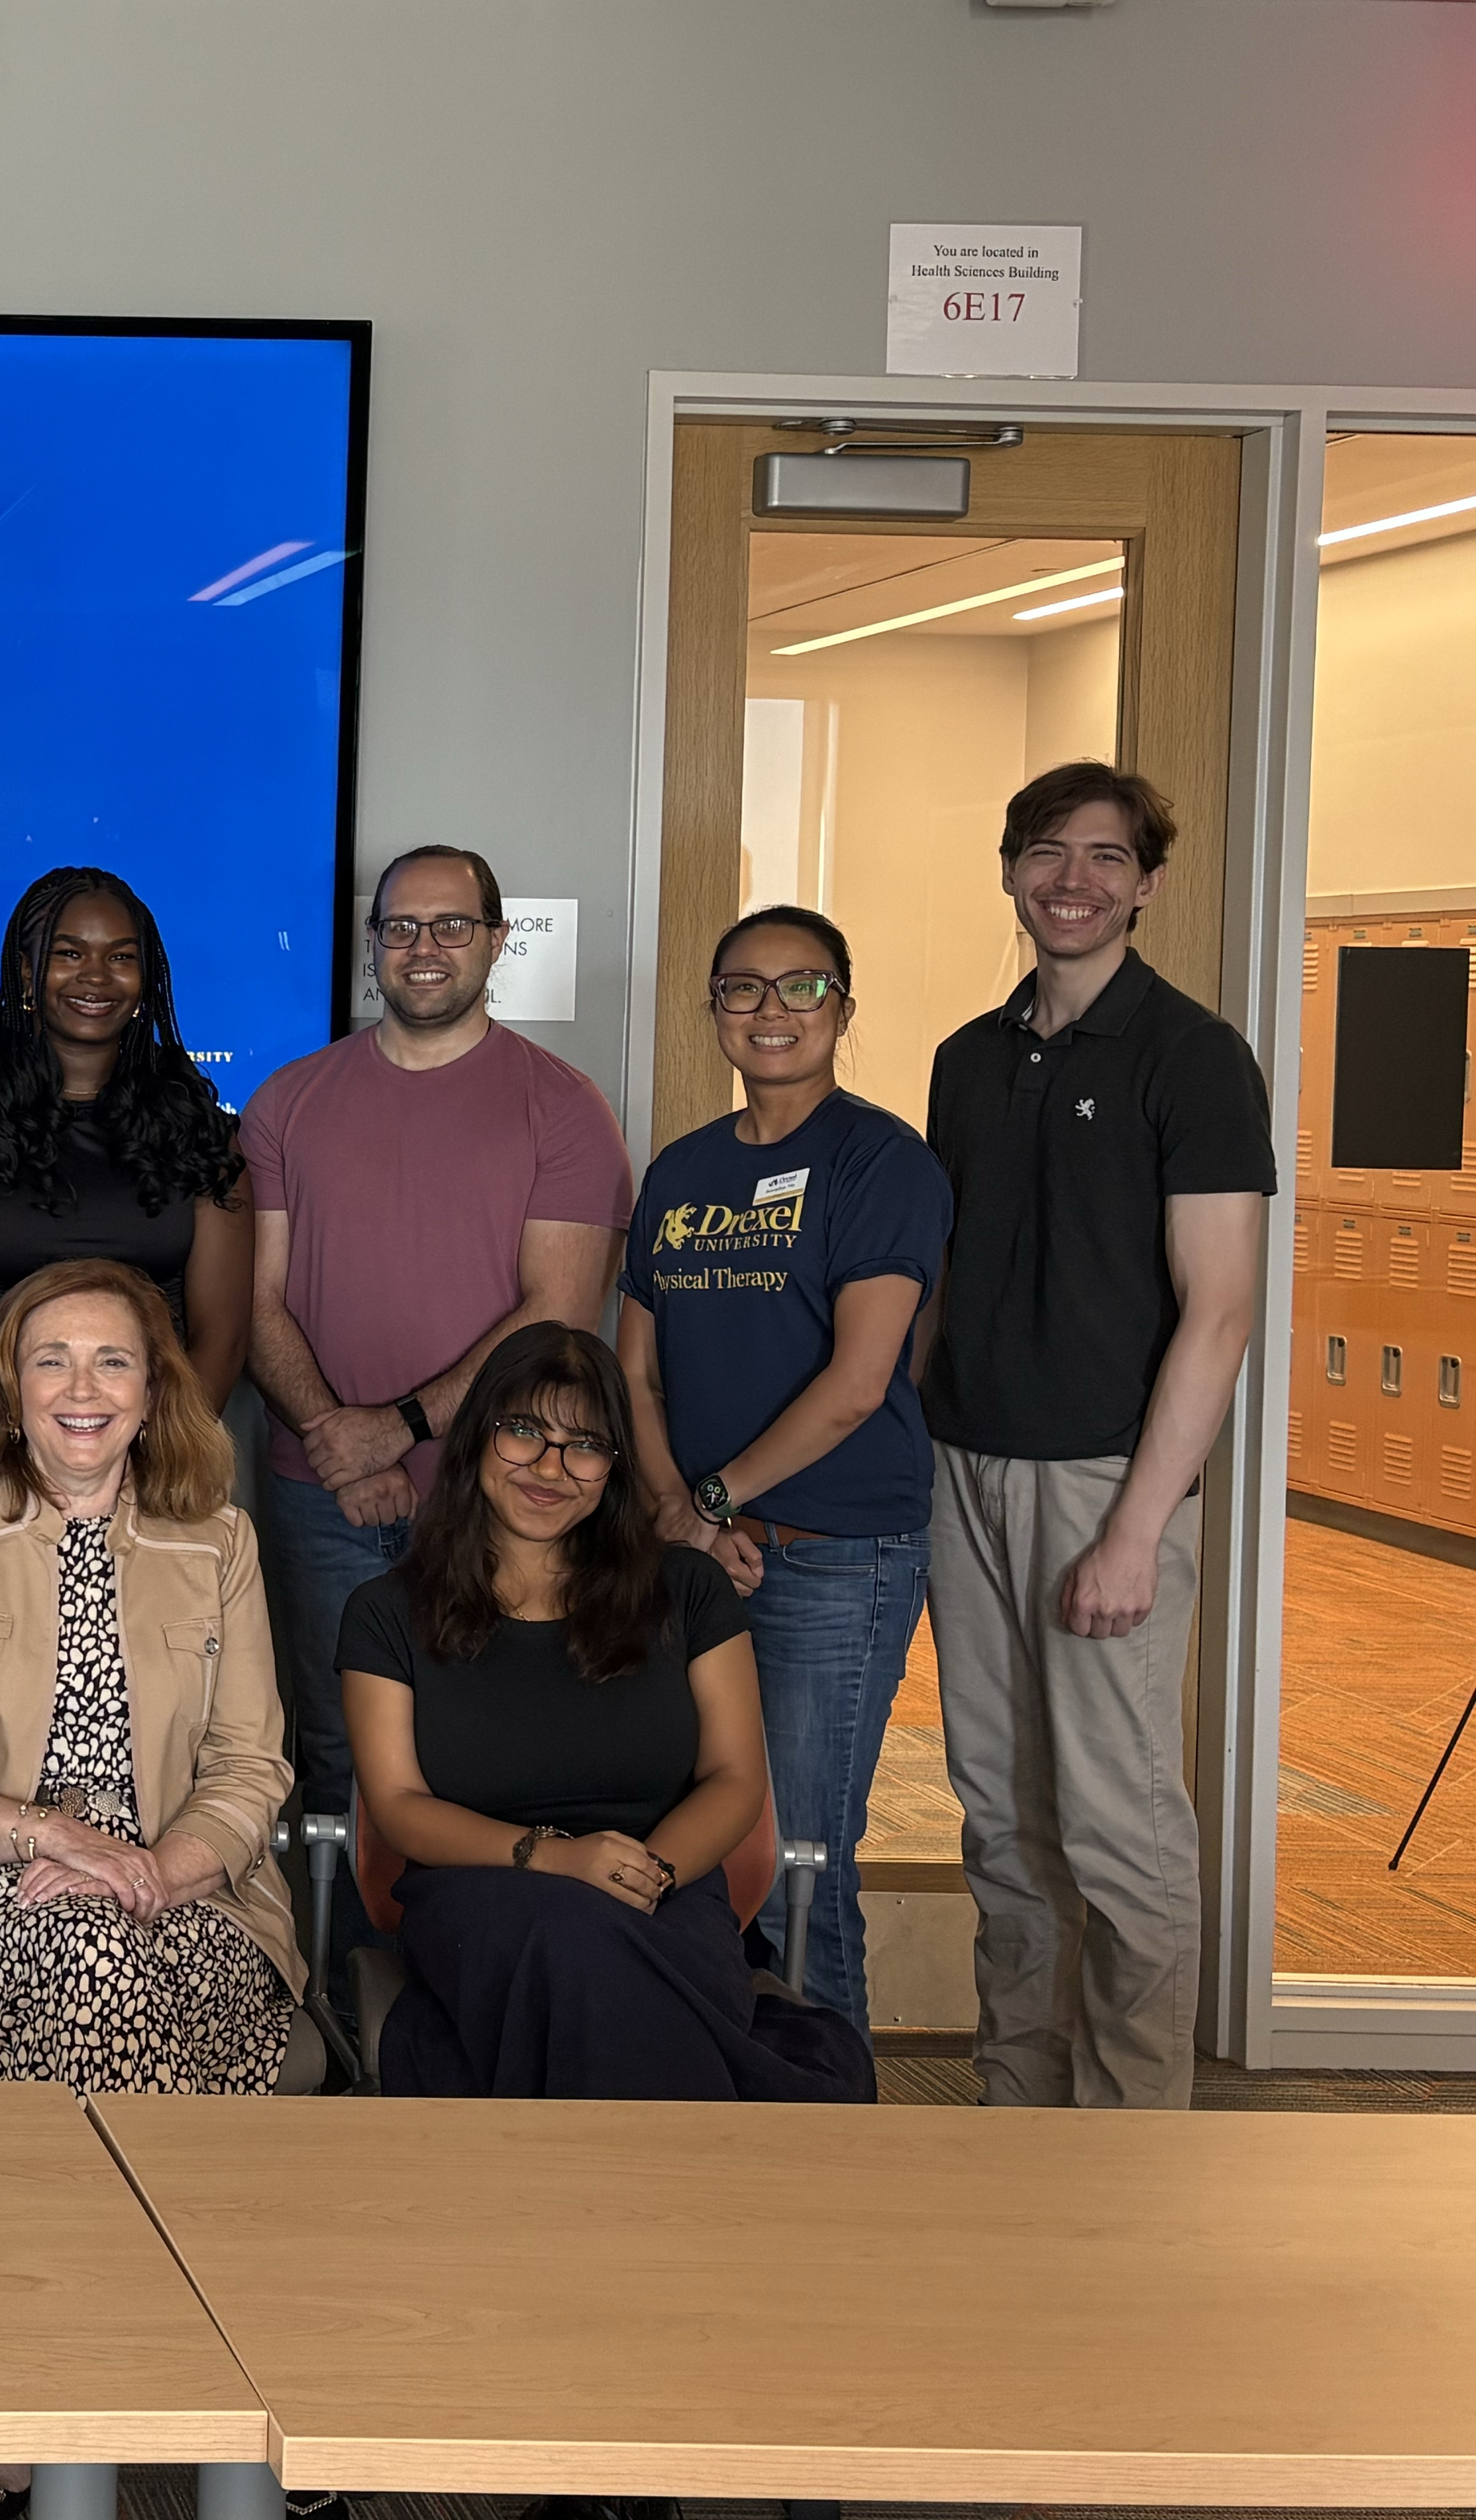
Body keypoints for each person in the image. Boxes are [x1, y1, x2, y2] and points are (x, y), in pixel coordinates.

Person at [922, 763, 1271, 2109]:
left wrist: (1136, 1528)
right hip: (965, 1473)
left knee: (1119, 1827)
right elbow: (950, 1283)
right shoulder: (968, 1058)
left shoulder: (1194, 1058)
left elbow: (1223, 1313)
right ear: (1010, 868)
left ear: (1148, 884)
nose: (1075, 878)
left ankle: (1134, 2131)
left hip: (1102, 1486)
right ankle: (1019, 2105)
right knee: (1003, 1821)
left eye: (1107, 857)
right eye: (1048, 851)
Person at [238, 843, 632, 1967]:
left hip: (507, 1495)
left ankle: (474, 1998)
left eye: (449, 926)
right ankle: (343, 2006)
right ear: (372, 945)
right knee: (339, 1757)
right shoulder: (287, 1100)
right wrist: (336, 1435)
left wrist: (398, 1427)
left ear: (496, 942)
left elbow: (555, 1315)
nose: (423, 947)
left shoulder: (561, 1108)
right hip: (323, 1501)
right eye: (400, 927)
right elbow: (254, 1300)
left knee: (495, 1754)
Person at [335, 1321, 869, 2101]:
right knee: (573, 1942)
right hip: (479, 1892)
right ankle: (689, 2184)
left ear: (613, 1468)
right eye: (524, 1432)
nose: (550, 1468)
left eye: (584, 1444)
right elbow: (400, 1808)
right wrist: (553, 1858)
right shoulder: (385, 1612)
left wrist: (643, 1874)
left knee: (601, 1951)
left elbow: (734, 1779)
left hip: (664, 1884)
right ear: (478, 1439)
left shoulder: (687, 1590)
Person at [0, 1256, 306, 2092]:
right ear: (14, 1392)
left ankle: (32, 2207)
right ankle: (151, 2210)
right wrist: (54, 1836)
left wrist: (147, 1872)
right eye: (51, 1360)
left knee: (97, 1957)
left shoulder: (219, 1542)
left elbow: (249, 1768)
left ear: (153, 1396)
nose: (81, 1389)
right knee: (92, 1956)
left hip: (191, 1890)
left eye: (113, 1361)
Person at [619, 907, 950, 2033]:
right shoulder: (682, 1167)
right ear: (711, 1010)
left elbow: (861, 1379)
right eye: (742, 989)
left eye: (800, 987)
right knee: (701, 1837)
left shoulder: (880, 1160)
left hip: (830, 1560)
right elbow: (635, 1364)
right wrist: (677, 1513)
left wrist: (715, 1498)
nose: (769, 1010)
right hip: (693, 1558)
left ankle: (829, 2112)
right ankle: (725, 2087)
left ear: (842, 1008)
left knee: (802, 1856)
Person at [0, 867, 251, 1407]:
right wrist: (26, 1453)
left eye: (120, 957)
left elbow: (222, 1342)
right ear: (25, 973)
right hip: (7, 1451)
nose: (96, 977)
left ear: (146, 978)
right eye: (69, 954)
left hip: (167, 1459)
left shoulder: (202, 1135)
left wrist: (156, 1462)